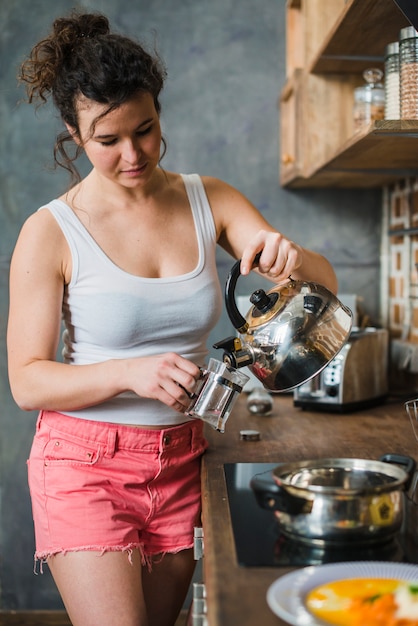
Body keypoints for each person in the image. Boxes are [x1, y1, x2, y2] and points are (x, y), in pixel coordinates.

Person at [7, 10, 338, 626]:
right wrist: (129, 371)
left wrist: (287, 257)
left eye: (146, 130)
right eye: (107, 141)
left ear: (159, 113)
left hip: (186, 457)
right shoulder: (51, 232)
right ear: (74, 135)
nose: (133, 154)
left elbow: (325, 282)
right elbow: (27, 381)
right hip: (84, 464)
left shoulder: (208, 198)